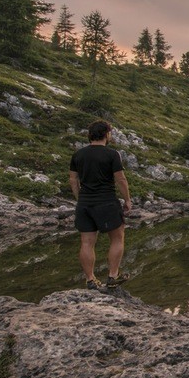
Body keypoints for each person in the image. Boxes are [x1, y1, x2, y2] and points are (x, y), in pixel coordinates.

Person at [69, 119, 132, 290]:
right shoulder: (112, 154)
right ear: (107, 134)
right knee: (117, 238)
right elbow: (120, 179)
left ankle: (90, 280)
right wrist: (127, 199)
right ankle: (112, 276)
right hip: (106, 202)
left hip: (84, 203)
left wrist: (79, 198)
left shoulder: (78, 155)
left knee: (87, 242)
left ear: (90, 135)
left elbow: (73, 180)